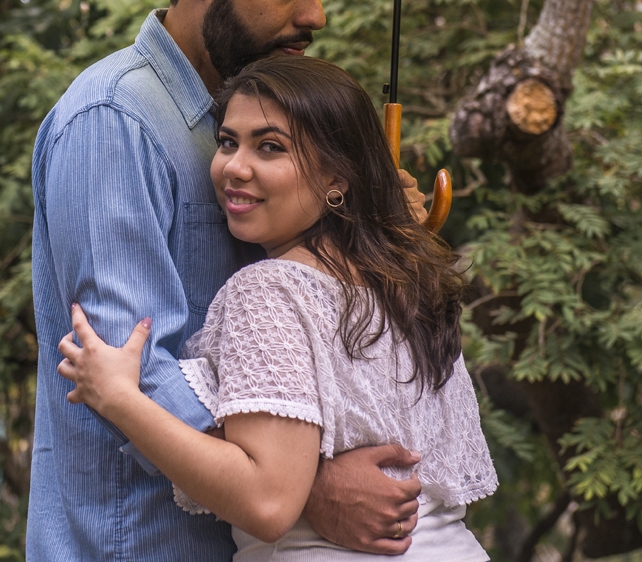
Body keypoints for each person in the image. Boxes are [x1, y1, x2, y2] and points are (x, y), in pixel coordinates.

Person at [27, 0, 428, 562]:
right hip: (144, 543)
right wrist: (307, 489)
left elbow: (309, 333)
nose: (316, 13)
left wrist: (372, 225)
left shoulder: (252, 119)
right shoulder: (115, 120)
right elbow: (131, 372)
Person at [56, 55, 497, 559]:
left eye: (270, 147)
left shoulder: (271, 291)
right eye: (227, 142)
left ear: (338, 177)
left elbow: (268, 503)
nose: (234, 168)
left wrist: (118, 398)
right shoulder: (411, 283)